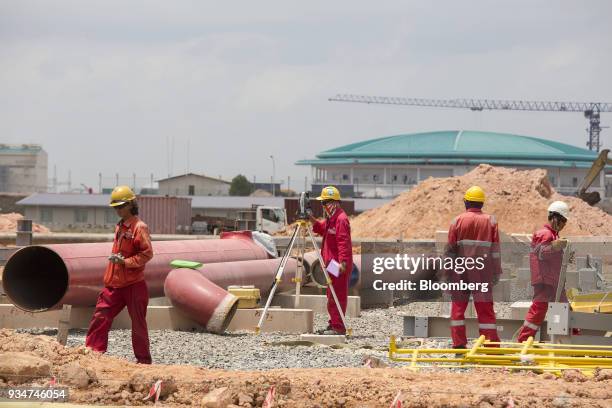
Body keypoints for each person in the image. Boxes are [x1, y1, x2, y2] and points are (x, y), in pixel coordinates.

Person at [85, 185, 154, 364]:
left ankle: (144, 361)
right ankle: (93, 353)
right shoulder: (121, 227)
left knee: (138, 324)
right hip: (114, 284)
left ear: (131, 204)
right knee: (100, 316)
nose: (118, 210)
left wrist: (125, 262)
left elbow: (147, 254)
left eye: (121, 206)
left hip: (134, 284)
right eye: (115, 207)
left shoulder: (139, 227)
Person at [444, 186, 502, 350]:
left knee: (458, 308)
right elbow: (495, 251)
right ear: (481, 203)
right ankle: (491, 345)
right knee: (485, 309)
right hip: (483, 271)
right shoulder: (491, 221)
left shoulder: (457, 221)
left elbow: (450, 251)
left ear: (466, 202)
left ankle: (459, 343)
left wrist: (447, 272)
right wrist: (496, 272)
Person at [517, 201, 570, 342]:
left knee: (564, 311)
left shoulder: (553, 235)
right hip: (546, 281)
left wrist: (564, 254)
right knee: (539, 311)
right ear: (555, 218)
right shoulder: (545, 234)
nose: (564, 224)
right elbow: (541, 252)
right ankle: (523, 342)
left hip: (554, 281)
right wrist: (555, 247)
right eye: (563, 220)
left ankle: (566, 342)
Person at [309, 186, 352, 335]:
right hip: (331, 264)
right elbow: (322, 229)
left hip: (338, 265)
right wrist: (311, 219)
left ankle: (338, 327)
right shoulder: (332, 219)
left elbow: (343, 242)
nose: (323, 206)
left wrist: (343, 263)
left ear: (332, 202)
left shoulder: (341, 219)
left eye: (324, 203)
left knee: (337, 295)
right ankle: (333, 323)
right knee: (331, 294)